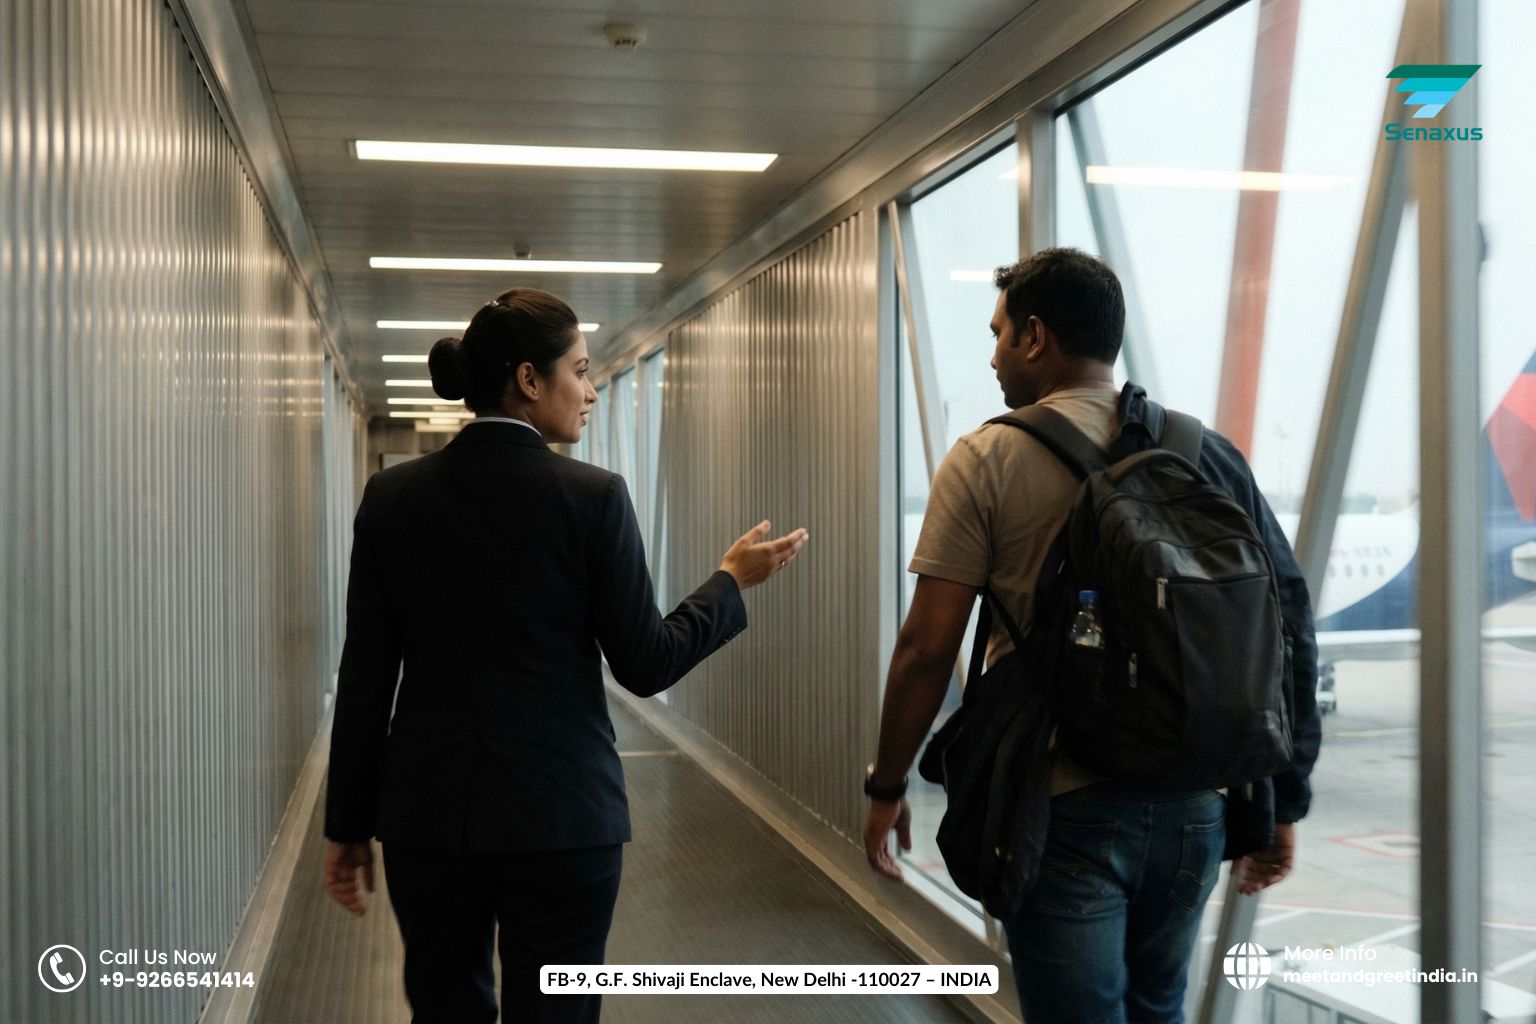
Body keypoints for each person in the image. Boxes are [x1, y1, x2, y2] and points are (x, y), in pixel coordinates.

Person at [320, 287, 808, 1023]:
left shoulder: (391, 497)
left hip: (430, 821)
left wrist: (347, 824)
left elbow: (365, 678)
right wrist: (730, 582)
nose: (590, 392)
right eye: (579, 371)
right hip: (563, 821)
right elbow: (646, 664)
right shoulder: (593, 498)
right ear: (528, 379)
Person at [862, 249, 1320, 1023]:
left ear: (1035, 336)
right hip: (1194, 805)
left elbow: (926, 650)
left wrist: (887, 786)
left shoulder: (986, 458)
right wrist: (1283, 799)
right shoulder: (1207, 455)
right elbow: (1287, 628)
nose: (994, 356)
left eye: (1000, 333)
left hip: (1062, 806)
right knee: (1159, 1010)